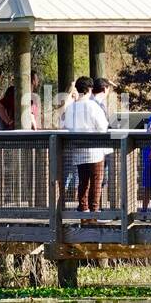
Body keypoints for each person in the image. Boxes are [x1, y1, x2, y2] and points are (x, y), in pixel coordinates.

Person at [60, 76, 111, 221]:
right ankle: (94, 212)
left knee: (83, 181)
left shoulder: (71, 107)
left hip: (78, 150)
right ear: (90, 89)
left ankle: (83, 211)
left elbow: (65, 125)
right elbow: (102, 127)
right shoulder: (93, 106)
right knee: (96, 180)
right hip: (94, 151)